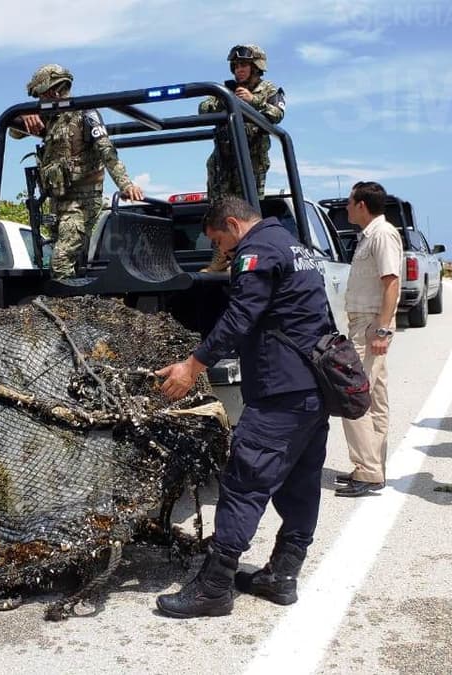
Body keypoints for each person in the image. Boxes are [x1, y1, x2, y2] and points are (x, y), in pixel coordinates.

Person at [152, 196, 332, 618]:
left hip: (280, 392)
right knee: (300, 483)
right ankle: (283, 576)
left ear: (233, 225)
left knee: (244, 482)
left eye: (218, 241)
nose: (221, 252)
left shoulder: (257, 250)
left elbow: (240, 316)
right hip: (314, 388)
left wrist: (193, 365)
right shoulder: (294, 245)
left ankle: (214, 587)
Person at [11, 64, 144, 279]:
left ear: (50, 91)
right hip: (58, 201)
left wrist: (126, 185)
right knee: (65, 258)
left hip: (83, 202)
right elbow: (13, 133)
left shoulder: (85, 113)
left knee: (61, 260)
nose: (39, 101)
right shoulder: (49, 117)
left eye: (40, 96)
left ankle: (66, 308)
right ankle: (75, 301)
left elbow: (106, 151)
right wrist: (26, 115)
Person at [335, 181, 402, 497]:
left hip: (370, 326)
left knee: (354, 396)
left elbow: (391, 283)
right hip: (365, 325)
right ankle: (371, 467)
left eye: (349, 202)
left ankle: (368, 471)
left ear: (362, 205)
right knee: (373, 398)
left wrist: (382, 329)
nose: (346, 208)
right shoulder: (371, 235)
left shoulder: (382, 234)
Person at [199, 44, 286, 272]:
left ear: (256, 66)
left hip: (250, 162)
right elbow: (203, 108)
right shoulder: (224, 89)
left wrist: (251, 101)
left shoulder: (269, 90)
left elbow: (277, 115)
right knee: (219, 209)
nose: (239, 70)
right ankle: (219, 259)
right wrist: (225, 98)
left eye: (244, 65)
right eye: (236, 65)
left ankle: (249, 259)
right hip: (222, 162)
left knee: (247, 211)